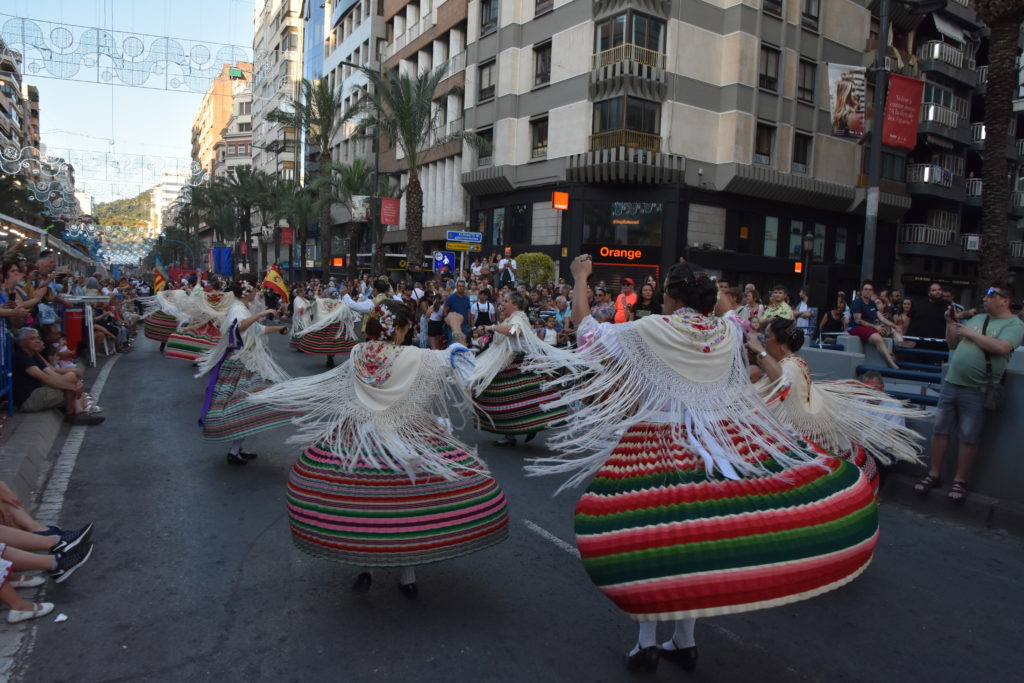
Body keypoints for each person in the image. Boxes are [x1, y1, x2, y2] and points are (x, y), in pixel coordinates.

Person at [526, 255, 879, 674]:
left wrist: (581, 278)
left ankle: (648, 645)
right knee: (690, 545)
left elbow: (586, 334)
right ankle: (684, 641)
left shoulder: (652, 329)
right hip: (714, 449)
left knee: (649, 544)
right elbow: (735, 328)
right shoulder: (726, 333)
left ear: (672, 297)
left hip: (657, 446)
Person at [249, 300, 509, 595]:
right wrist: (456, 329)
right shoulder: (417, 356)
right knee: (407, 506)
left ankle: (366, 569)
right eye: (406, 328)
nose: (408, 333)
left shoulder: (359, 351)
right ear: (398, 329)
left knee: (365, 503)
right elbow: (466, 370)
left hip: (360, 438)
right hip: (409, 438)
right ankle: (406, 576)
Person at [746, 318, 922, 495]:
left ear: (781, 344)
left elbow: (782, 382)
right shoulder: (787, 363)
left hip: (791, 440)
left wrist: (760, 351)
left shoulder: (792, 365)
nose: (763, 341)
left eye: (766, 337)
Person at [915, 284, 1024, 503]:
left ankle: (960, 481)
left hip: (978, 388)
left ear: (1005, 300)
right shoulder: (977, 319)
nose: (985, 298)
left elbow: (1002, 348)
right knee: (940, 430)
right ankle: (934, 474)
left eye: (991, 295)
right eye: (985, 294)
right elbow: (952, 342)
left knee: (968, 436)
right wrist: (950, 323)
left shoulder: (1014, 324)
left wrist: (970, 334)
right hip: (951, 382)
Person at [195, 274, 292, 465]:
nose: (257, 292)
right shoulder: (238, 309)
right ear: (248, 290)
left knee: (246, 406)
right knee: (243, 406)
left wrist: (278, 328)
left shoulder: (242, 308)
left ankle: (236, 449)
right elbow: (238, 328)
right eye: (256, 289)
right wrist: (262, 314)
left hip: (245, 362)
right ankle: (234, 450)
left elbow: (255, 330)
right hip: (239, 362)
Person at [469, 291, 573, 447]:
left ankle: (517, 430)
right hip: (508, 364)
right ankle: (517, 430)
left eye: (506, 300)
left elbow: (514, 331)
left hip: (515, 364)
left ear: (515, 304)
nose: (502, 303)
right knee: (507, 399)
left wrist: (491, 327)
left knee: (507, 399)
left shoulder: (519, 317)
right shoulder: (511, 318)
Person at [12, 328, 104, 425]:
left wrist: (74, 383)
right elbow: (45, 379)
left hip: (39, 390)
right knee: (69, 385)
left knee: (70, 377)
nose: (37, 341)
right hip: (28, 399)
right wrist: (73, 386)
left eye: (37, 337)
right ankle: (75, 413)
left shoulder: (34, 355)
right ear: (22, 343)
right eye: (32, 338)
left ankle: (75, 412)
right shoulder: (21, 357)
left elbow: (53, 374)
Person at [848, 281, 899, 368]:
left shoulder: (872, 303)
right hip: (856, 327)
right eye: (866, 289)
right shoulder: (857, 302)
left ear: (872, 292)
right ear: (862, 291)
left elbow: (882, 318)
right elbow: (858, 321)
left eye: (870, 290)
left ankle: (888, 353)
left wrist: (895, 326)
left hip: (868, 328)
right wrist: (875, 327)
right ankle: (891, 363)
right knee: (878, 337)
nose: (868, 291)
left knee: (885, 331)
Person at [906, 282, 949, 347]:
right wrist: (905, 337)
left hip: (939, 346)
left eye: (939, 289)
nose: (937, 292)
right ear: (929, 293)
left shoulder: (948, 306)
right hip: (917, 345)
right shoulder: (920, 304)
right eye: (934, 290)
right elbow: (908, 318)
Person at [442, 279, 472, 344]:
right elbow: (445, 311)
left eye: (462, 286)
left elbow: (468, 312)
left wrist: (469, 324)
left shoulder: (467, 299)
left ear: (465, 288)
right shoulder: (451, 298)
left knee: (463, 344)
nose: (461, 288)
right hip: (453, 327)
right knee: (452, 344)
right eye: (459, 286)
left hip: (464, 326)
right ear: (456, 287)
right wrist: (449, 322)